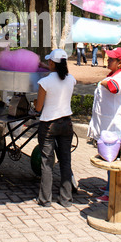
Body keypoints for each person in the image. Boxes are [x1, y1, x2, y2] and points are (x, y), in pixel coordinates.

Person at [87, 47, 121, 202]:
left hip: (115, 125)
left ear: (120, 63)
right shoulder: (115, 74)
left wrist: (104, 82)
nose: (108, 60)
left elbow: (114, 88)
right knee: (108, 156)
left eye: (112, 59)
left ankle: (111, 192)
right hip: (108, 124)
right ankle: (108, 185)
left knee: (112, 158)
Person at [34, 48, 76, 208]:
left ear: (52, 63)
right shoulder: (71, 79)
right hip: (67, 124)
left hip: (49, 125)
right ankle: (66, 199)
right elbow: (59, 73)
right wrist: (46, 66)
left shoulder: (45, 82)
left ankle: (45, 199)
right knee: (65, 161)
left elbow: (38, 108)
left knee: (47, 162)